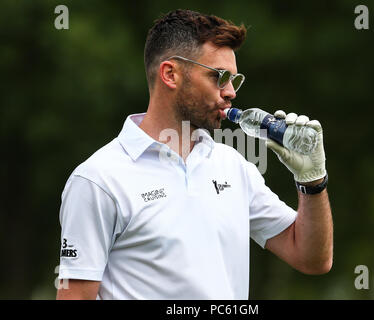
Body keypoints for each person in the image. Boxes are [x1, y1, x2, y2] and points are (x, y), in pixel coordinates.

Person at [56, 9, 333, 300]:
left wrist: (312, 181)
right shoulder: (98, 179)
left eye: (234, 81)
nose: (230, 93)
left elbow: (311, 258)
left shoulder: (234, 166)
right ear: (170, 74)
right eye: (219, 77)